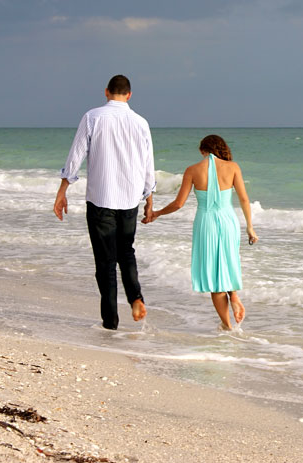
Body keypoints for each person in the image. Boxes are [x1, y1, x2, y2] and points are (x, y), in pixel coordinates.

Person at [53, 75, 156, 330]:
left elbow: (76, 154)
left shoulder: (93, 117)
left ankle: (110, 321)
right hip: (130, 200)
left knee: (105, 262)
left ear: (107, 92)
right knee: (127, 252)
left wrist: (62, 191)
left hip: (101, 199)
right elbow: (148, 165)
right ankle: (136, 298)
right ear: (129, 95)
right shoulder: (141, 123)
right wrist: (149, 199)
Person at [144, 134, 257, 330]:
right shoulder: (233, 168)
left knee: (214, 275)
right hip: (228, 220)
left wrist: (157, 213)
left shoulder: (192, 170)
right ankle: (235, 297)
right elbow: (244, 199)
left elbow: (179, 203)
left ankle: (227, 325)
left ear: (202, 151)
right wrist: (249, 226)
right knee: (228, 261)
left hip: (206, 222)